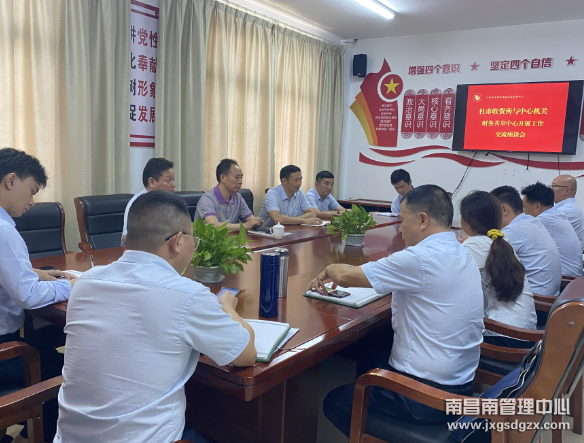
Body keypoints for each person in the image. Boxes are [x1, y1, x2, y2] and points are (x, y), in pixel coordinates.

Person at [54, 191, 257, 443]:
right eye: (193, 238)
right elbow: (245, 354)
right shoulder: (187, 294)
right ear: (178, 241)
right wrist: (228, 307)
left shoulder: (85, 283)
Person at [310, 185, 483, 437]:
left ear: (422, 220)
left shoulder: (420, 258)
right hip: (461, 384)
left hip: (425, 397)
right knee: (371, 354)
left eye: (402, 220)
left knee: (335, 402)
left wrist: (329, 269)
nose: (400, 229)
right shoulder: (461, 250)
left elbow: (346, 276)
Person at [0, 148, 76, 442]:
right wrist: (71, 286)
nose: (32, 202)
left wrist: (34, 273)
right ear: (10, 181)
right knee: (63, 369)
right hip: (5, 352)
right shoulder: (4, 231)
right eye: (31, 191)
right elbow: (28, 296)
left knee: (42, 345)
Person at [459, 191, 537, 348]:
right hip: (525, 332)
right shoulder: (501, 240)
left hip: (504, 337)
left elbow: (451, 283)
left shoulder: (473, 245)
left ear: (466, 222)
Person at [491, 186, 561, 297]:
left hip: (538, 301)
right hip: (551, 296)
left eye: (491, 212)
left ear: (504, 210)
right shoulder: (531, 222)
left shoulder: (514, 230)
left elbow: (485, 255)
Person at [522, 182, 583, 277]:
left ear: (537, 206)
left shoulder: (543, 220)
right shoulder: (555, 215)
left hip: (565, 279)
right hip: (573, 277)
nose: (524, 212)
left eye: (525, 207)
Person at [194, 159, 263, 231]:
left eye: (241, 177)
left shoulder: (238, 197)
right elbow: (214, 225)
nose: (240, 182)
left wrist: (255, 222)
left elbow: (251, 220)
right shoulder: (207, 199)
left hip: (231, 237)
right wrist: (244, 226)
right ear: (222, 178)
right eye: (236, 177)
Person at [121, 157, 175, 244]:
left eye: (173, 180)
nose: (173, 185)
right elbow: (126, 238)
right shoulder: (137, 203)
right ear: (152, 182)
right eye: (168, 180)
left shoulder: (168, 202)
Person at [552, 174, 584, 250]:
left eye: (554, 186)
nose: (550, 190)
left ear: (567, 190)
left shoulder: (564, 211)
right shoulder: (568, 208)